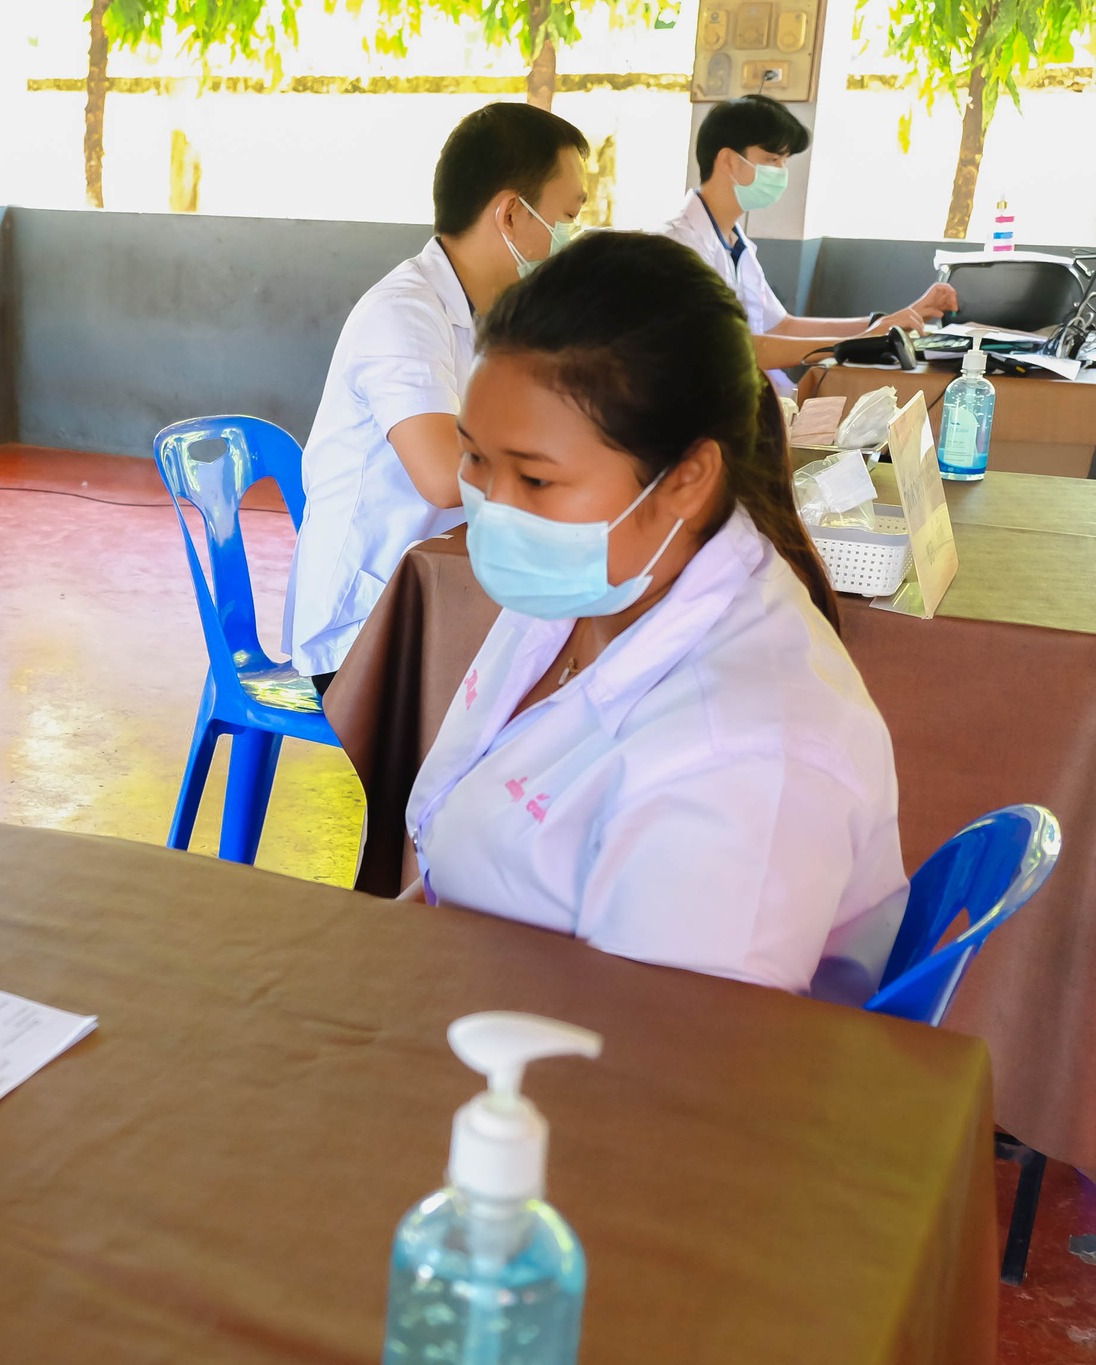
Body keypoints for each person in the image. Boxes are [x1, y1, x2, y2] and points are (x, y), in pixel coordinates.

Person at [405, 231, 904, 998]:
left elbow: (660, 1073)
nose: (493, 509)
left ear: (687, 479)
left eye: (536, 480)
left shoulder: (745, 757)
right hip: (479, 996)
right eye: (475, 457)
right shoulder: (585, 587)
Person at [285, 102, 589, 691]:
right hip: (364, 632)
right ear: (510, 213)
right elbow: (447, 476)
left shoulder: (499, 316)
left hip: (449, 589)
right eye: (567, 216)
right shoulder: (404, 313)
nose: (570, 236)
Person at [662, 95, 957, 387]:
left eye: (784, 161)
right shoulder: (679, 247)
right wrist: (859, 341)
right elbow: (733, 348)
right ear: (728, 160)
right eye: (771, 159)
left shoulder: (734, 241)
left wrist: (888, 323)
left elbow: (782, 325)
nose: (780, 172)